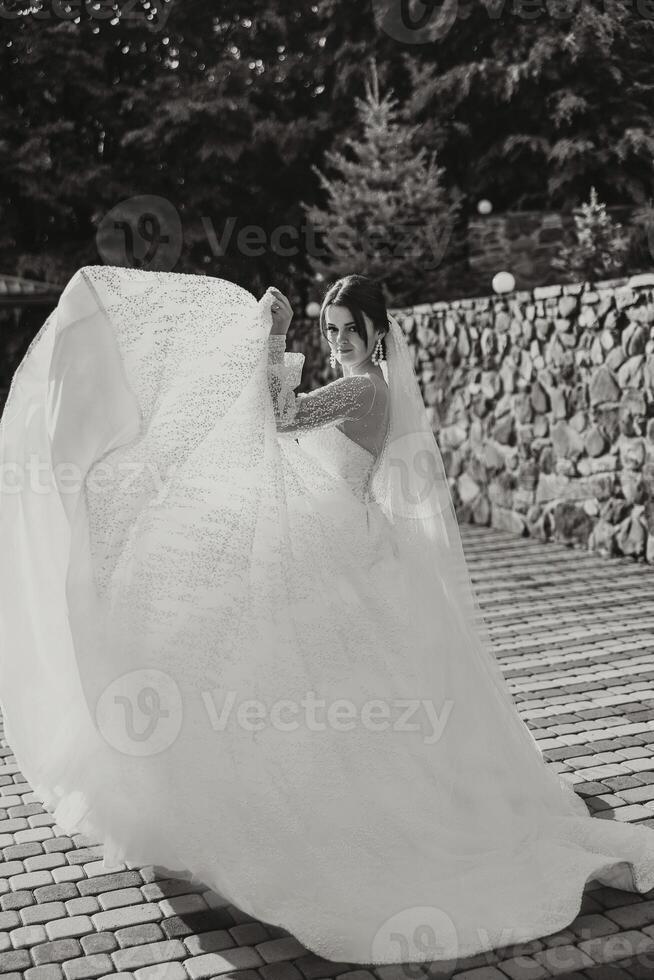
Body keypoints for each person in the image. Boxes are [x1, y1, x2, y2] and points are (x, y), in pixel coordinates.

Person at [1, 265, 654, 968]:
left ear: (378, 333)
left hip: (338, 543)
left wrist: (274, 336)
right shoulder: (370, 389)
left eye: (350, 331)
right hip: (345, 537)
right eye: (332, 330)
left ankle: (333, 818)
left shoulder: (363, 389)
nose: (340, 341)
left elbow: (281, 419)